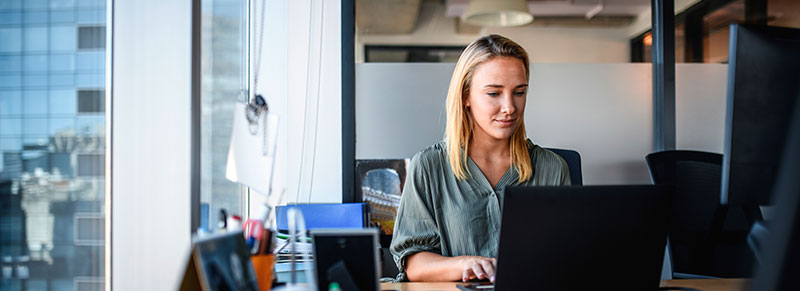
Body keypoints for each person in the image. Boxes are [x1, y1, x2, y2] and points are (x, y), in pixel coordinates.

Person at [389, 34, 571, 283]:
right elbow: (414, 264)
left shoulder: (553, 168)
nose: (510, 107)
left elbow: (568, 256)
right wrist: (467, 264)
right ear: (466, 96)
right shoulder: (429, 166)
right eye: (494, 93)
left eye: (519, 92)